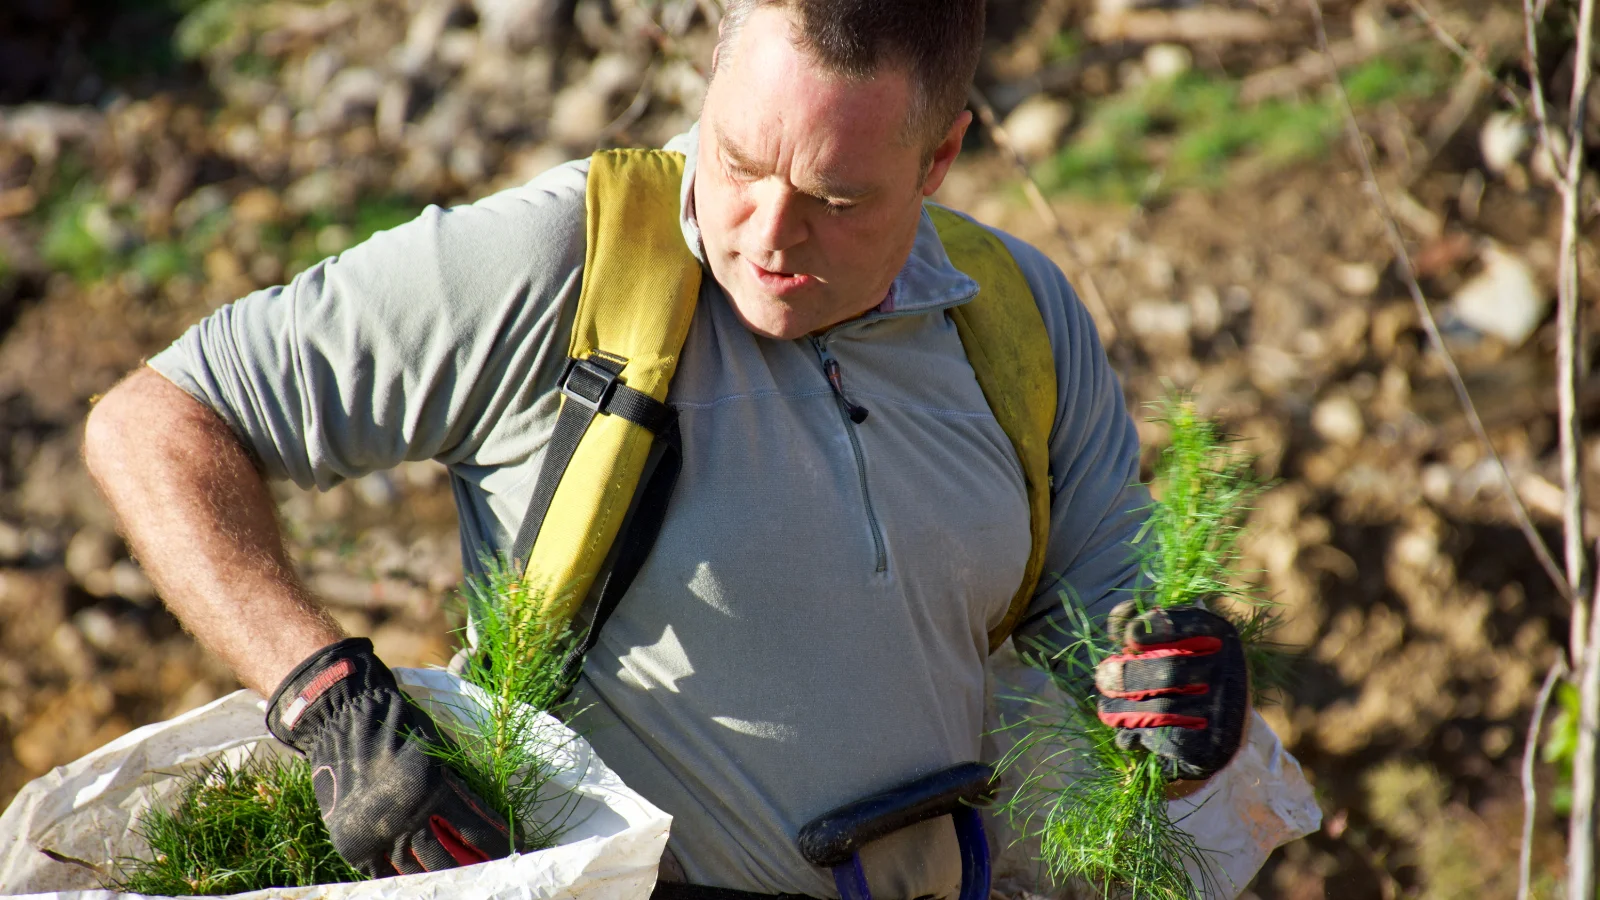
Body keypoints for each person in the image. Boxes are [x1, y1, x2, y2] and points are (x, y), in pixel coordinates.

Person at [82, 0, 1248, 896]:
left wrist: (1181, 691)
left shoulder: (1015, 314)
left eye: (836, 200)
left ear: (938, 160)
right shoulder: (560, 268)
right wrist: (329, 703)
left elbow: (1115, 620)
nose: (768, 235)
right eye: (738, 162)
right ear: (709, 83)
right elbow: (155, 422)